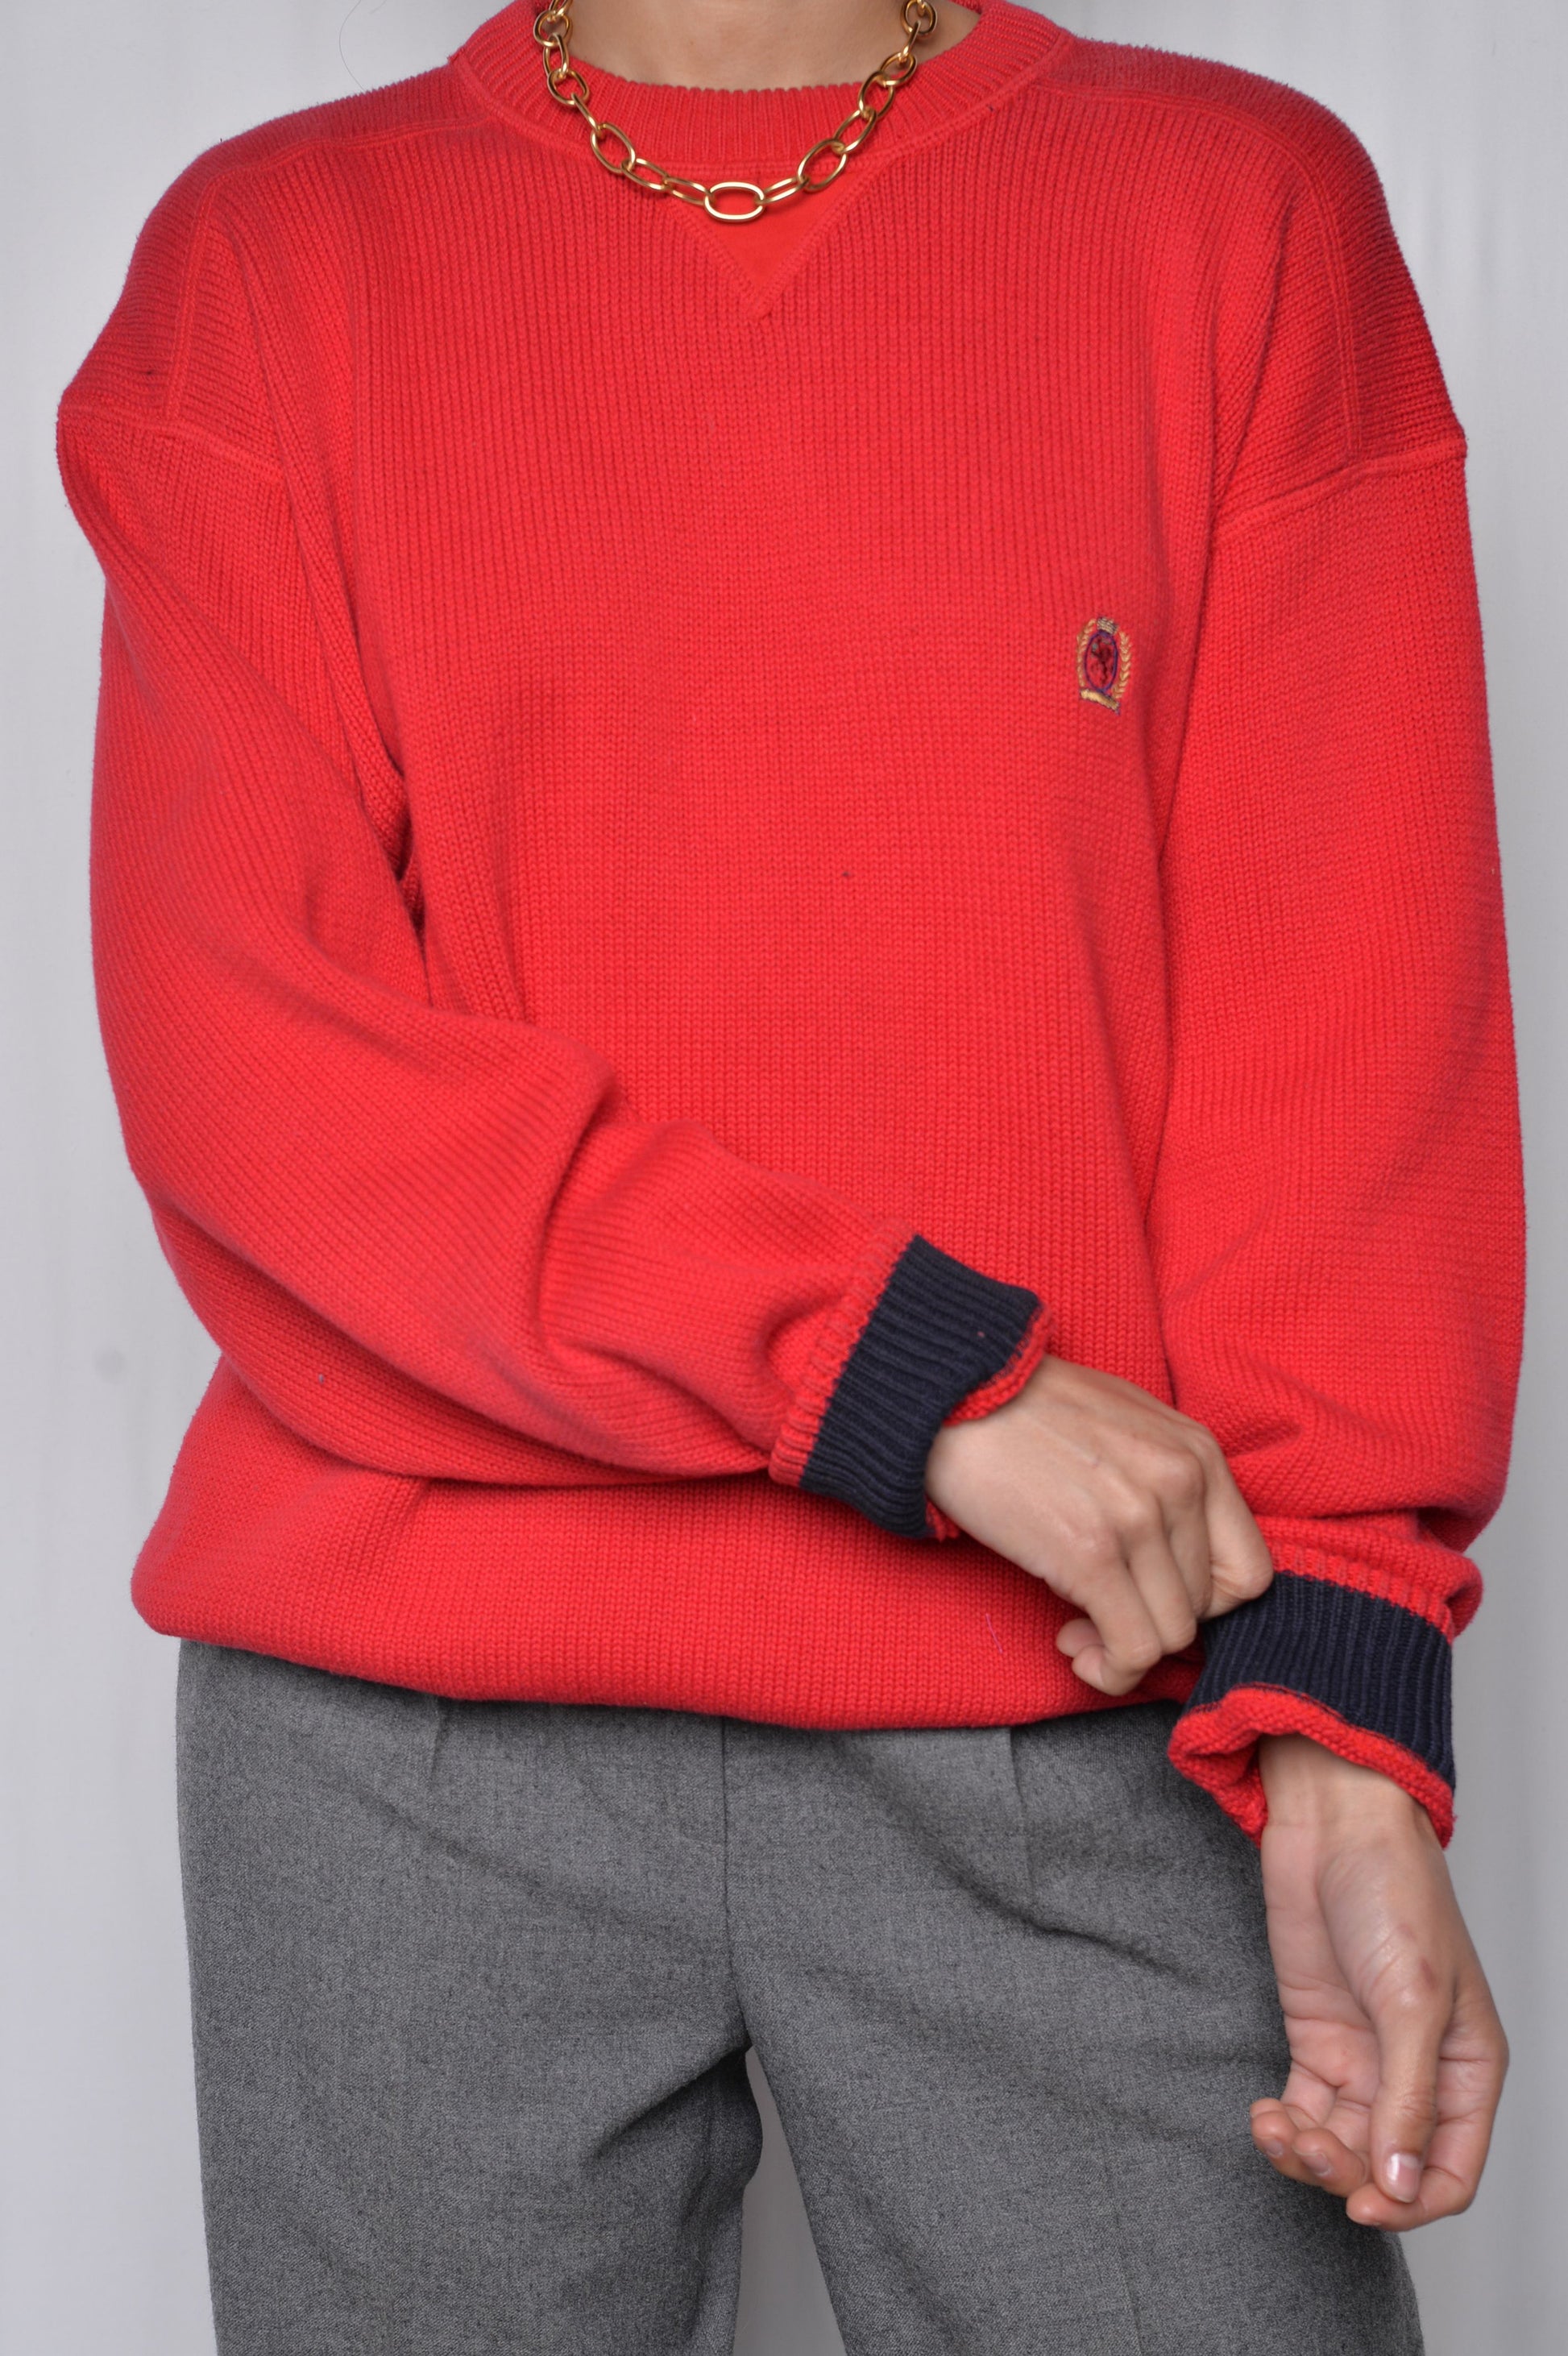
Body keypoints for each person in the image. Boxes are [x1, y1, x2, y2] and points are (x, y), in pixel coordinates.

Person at [58, 0, 1522, 2348]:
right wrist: (902, 1379)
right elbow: (258, 1062)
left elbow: (1347, 1030)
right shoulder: (274, 259)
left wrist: (1342, 1720)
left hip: (1093, 1709)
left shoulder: (1230, 212)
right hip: (412, 1739)